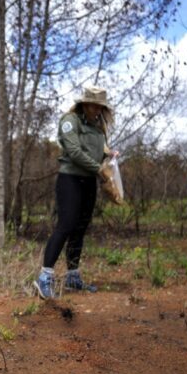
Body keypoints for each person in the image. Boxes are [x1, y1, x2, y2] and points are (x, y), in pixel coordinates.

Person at [35, 87, 118, 299]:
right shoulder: (70, 120)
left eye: (99, 106)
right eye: (92, 104)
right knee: (66, 225)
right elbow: (73, 151)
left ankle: (72, 277)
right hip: (70, 179)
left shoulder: (98, 125)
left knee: (80, 227)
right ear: (84, 104)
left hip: (89, 181)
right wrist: (98, 168)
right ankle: (44, 277)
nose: (95, 109)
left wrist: (109, 153)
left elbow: (100, 148)